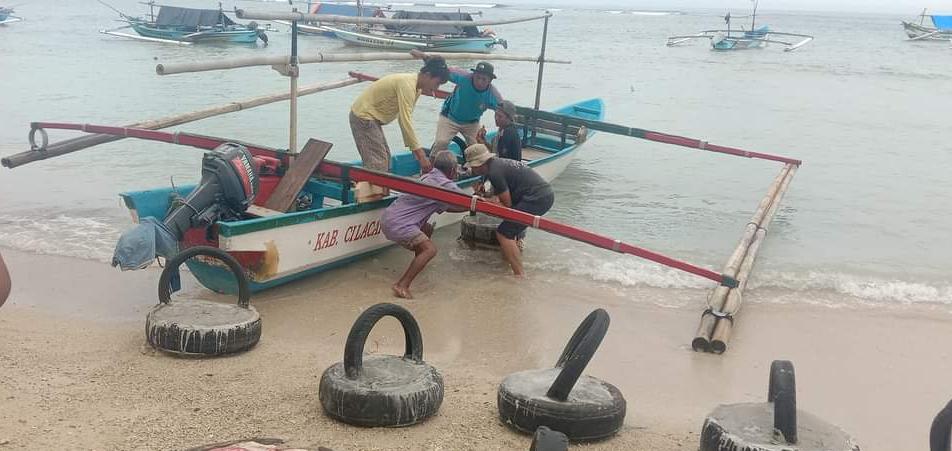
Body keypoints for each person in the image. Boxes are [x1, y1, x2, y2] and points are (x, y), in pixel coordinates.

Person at [381, 151, 469, 299]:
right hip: (401, 224)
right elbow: (467, 200)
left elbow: (449, 207)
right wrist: (479, 201)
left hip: (387, 218)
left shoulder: (427, 177)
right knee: (430, 250)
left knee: (427, 228)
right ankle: (402, 285)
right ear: (453, 170)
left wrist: (468, 206)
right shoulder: (445, 184)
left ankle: (418, 262)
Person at [349, 56, 450, 180]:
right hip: (363, 117)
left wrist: (414, 150)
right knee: (377, 164)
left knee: (385, 158)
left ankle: (380, 190)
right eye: (437, 83)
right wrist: (421, 155)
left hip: (372, 119)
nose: (436, 88)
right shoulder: (407, 85)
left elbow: (406, 119)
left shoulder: (416, 89)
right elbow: (404, 121)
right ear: (427, 75)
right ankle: (369, 196)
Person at [464, 143, 554, 277]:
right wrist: (486, 195)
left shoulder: (494, 173)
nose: (472, 170)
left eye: (472, 167)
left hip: (537, 198)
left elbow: (507, 205)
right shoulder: (496, 164)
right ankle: (509, 264)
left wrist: (484, 202)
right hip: (541, 194)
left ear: (479, 164)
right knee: (510, 227)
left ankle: (519, 275)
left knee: (504, 233)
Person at [411, 50, 504, 155]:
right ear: (473, 75)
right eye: (477, 77)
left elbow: (504, 111)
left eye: (484, 79)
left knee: (478, 150)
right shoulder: (463, 77)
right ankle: (432, 167)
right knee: (441, 142)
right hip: (449, 117)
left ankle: (473, 169)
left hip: (472, 123)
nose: (479, 82)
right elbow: (441, 69)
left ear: (490, 80)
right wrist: (423, 56)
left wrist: (503, 131)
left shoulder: (493, 94)